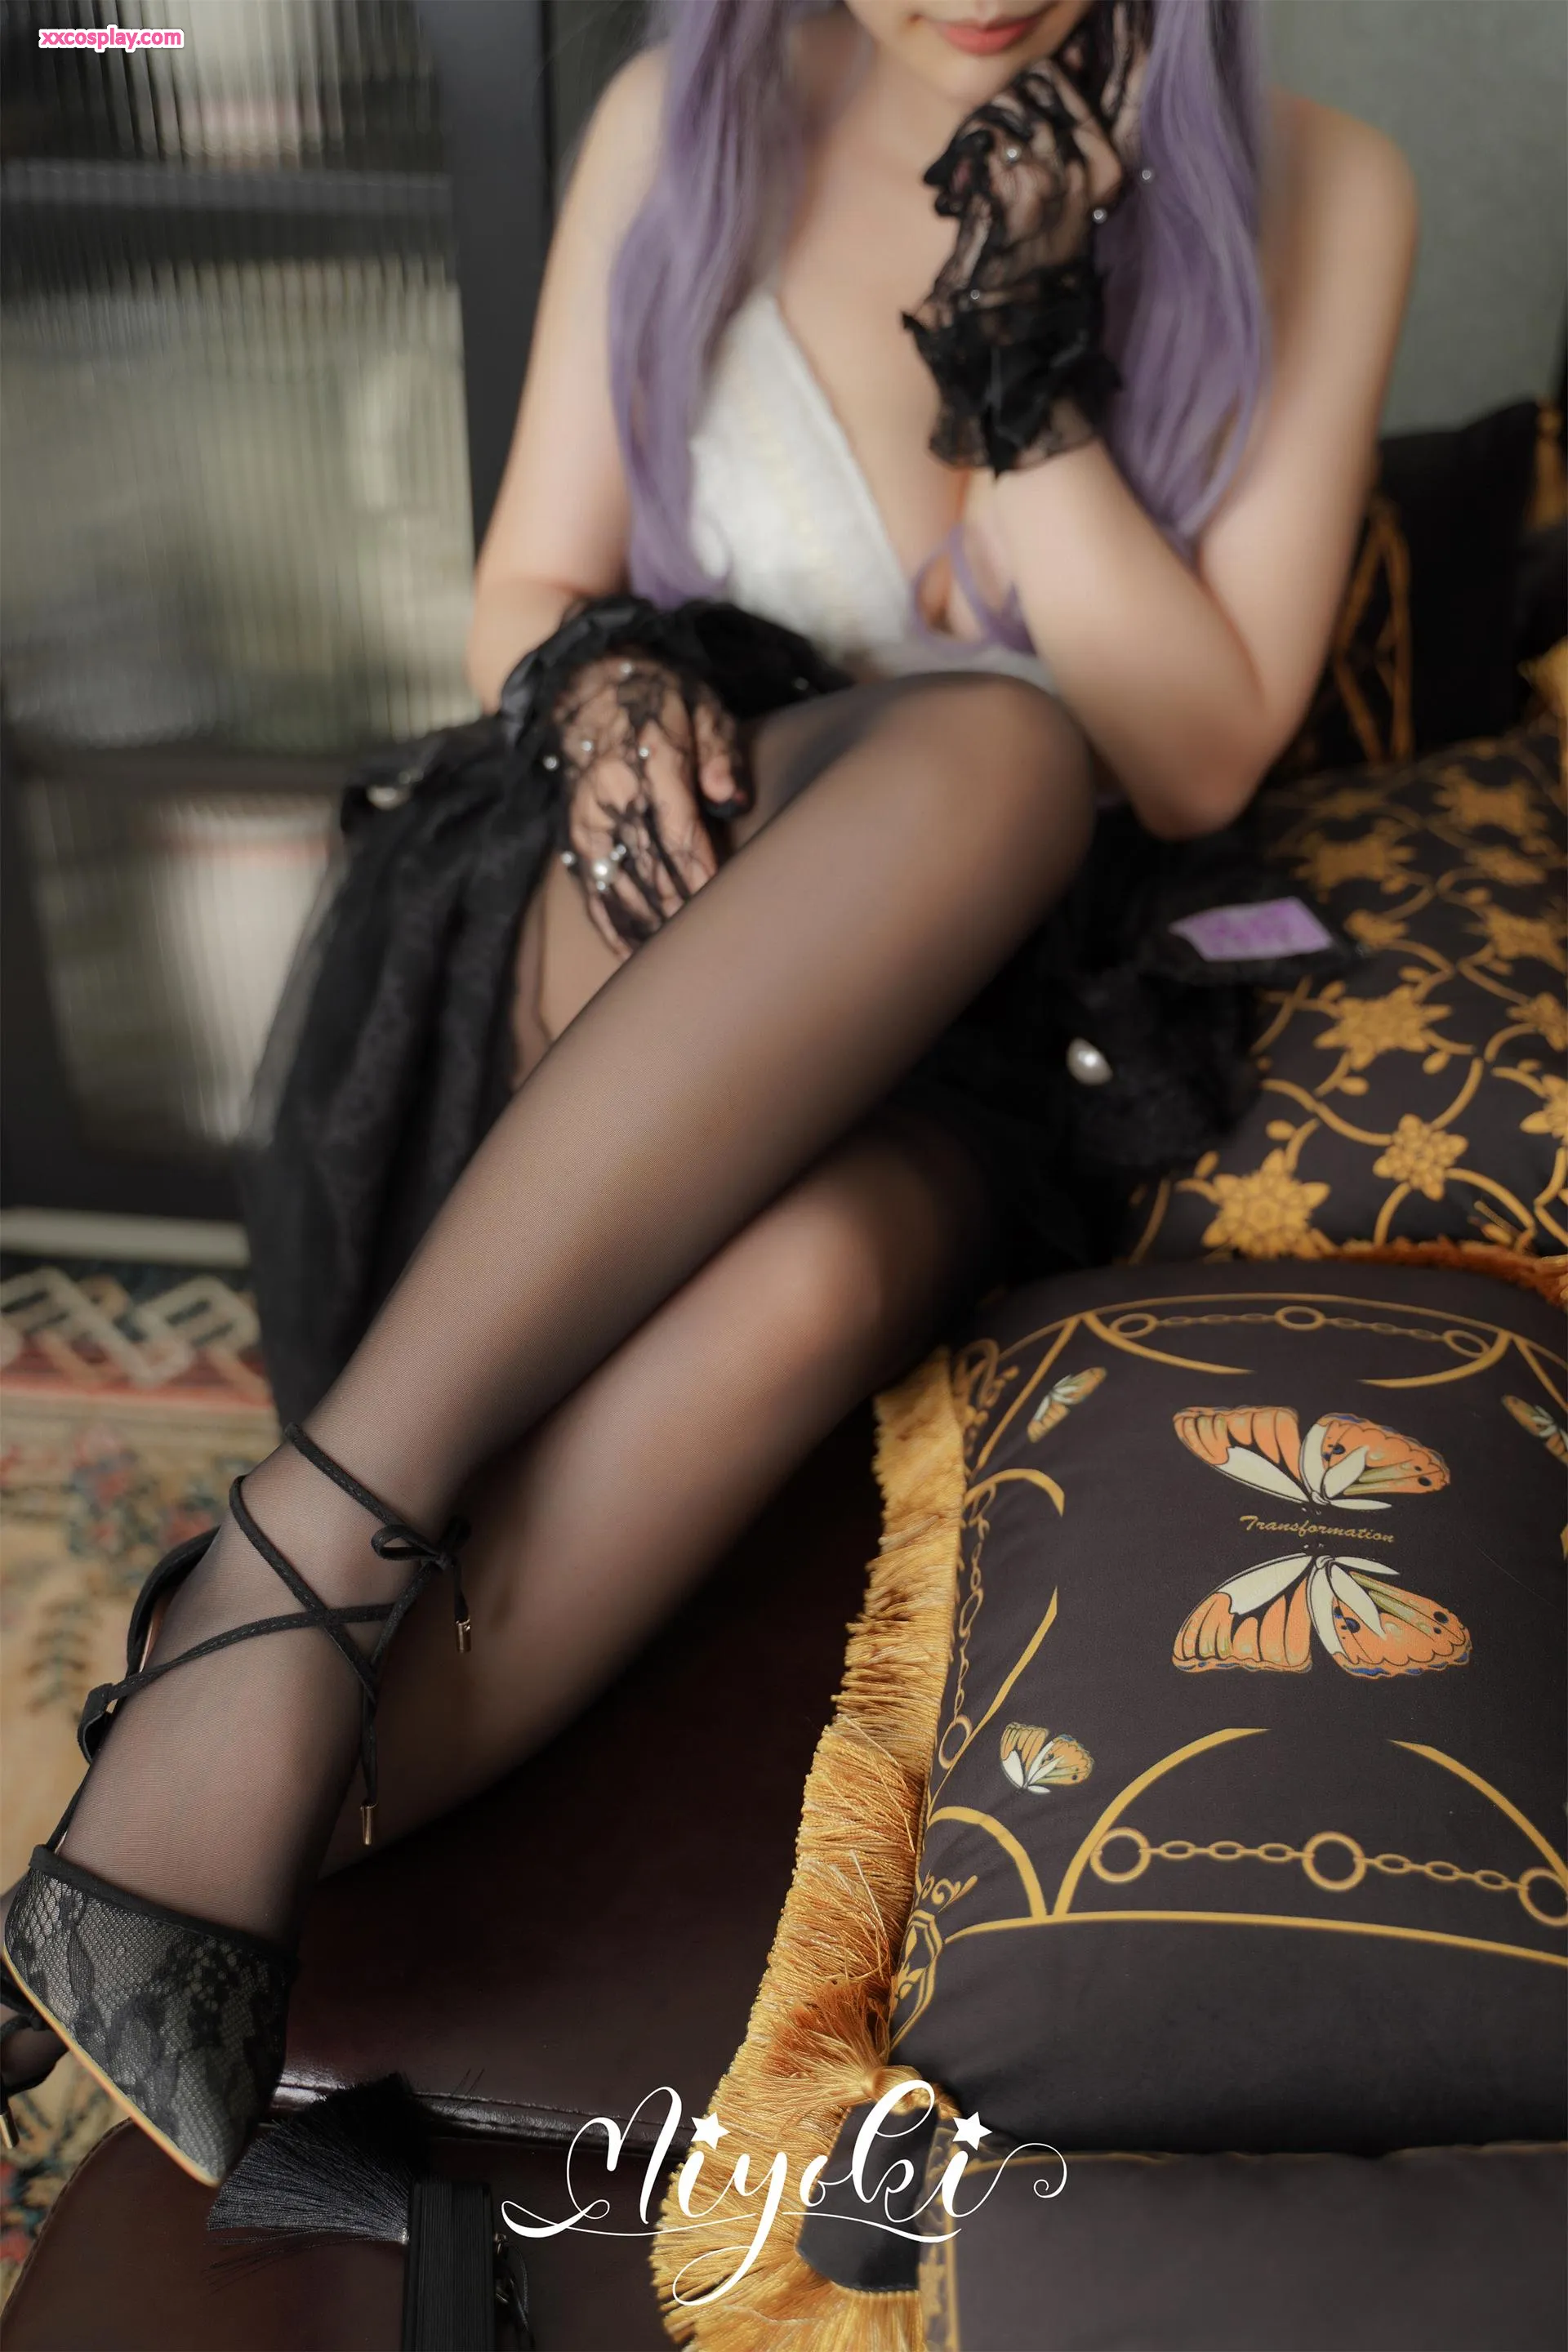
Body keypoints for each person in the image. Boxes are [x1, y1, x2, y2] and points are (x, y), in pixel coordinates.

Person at [2, 0, 1414, 2184]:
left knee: (831, 1252)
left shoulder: (1326, 186)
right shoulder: (686, 120)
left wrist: (1023, 378)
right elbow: (523, 591)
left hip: (983, 1011)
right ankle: (304, 1559)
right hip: (638, 874)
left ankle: (152, 1834)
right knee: (980, 749)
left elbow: (1194, 755)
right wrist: (606, 692)